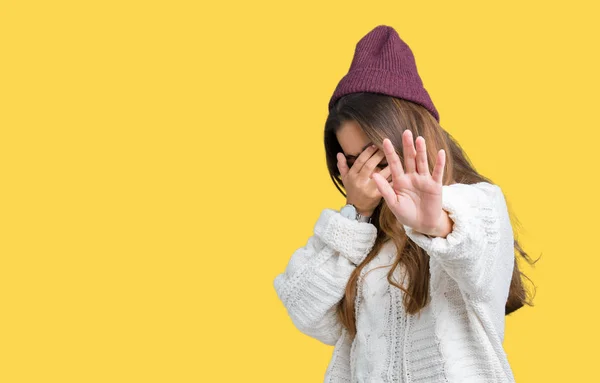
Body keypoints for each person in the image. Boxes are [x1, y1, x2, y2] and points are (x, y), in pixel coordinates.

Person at [272, 25, 536, 383]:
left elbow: (479, 253)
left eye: (378, 157)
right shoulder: (359, 237)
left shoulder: (477, 206)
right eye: (354, 161)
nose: (370, 176)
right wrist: (356, 214)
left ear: (409, 136)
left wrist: (437, 225)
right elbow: (306, 311)